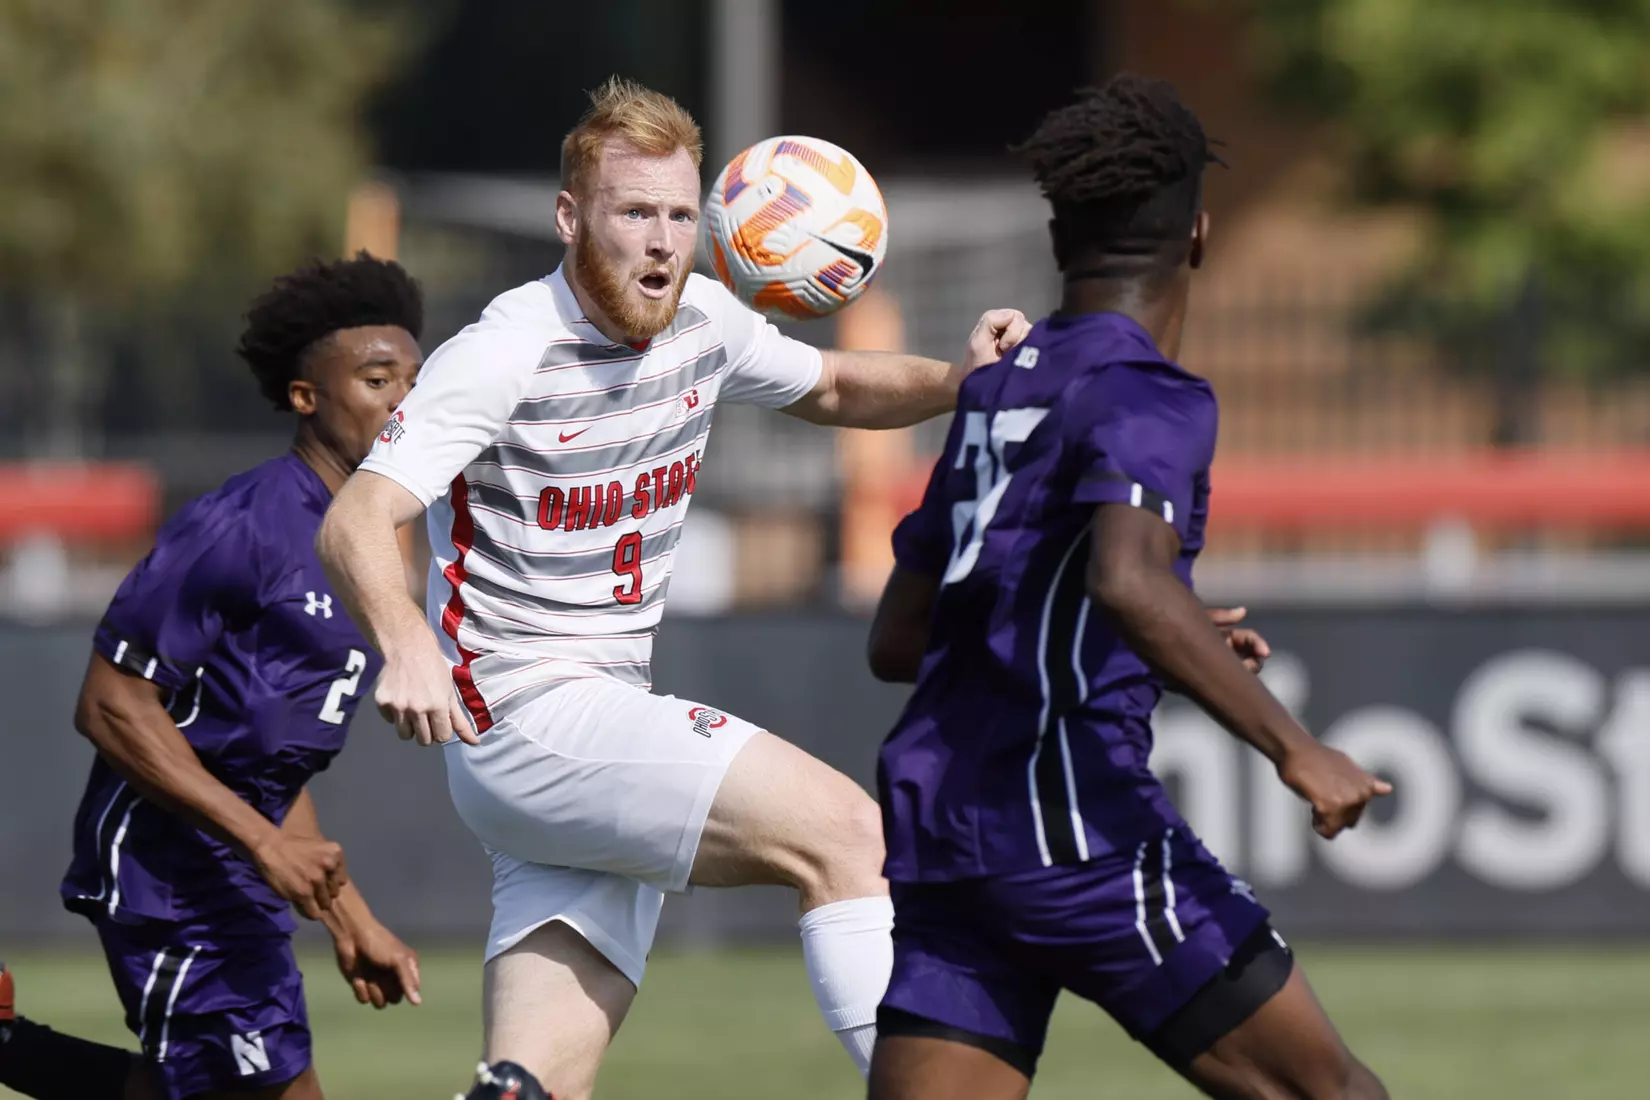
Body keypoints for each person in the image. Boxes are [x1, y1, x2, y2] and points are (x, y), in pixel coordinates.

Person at [313, 77, 1031, 1100]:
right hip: (525, 715)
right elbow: (355, 515)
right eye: (633, 212)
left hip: (587, 728)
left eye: (680, 214)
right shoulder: (506, 349)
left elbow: (830, 384)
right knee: (849, 834)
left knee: (533, 1083)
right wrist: (405, 638)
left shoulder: (701, 317)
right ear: (571, 217)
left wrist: (957, 385)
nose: (660, 240)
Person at [862, 76, 1393, 1100]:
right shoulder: (1147, 391)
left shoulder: (997, 387)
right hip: (1075, 827)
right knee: (1329, 1091)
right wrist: (1299, 749)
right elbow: (1130, 581)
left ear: (1061, 232)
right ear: (1198, 233)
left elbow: (899, 637)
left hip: (945, 832)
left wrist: (1134, 628)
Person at [0, 255, 426, 1100]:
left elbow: (266, 763)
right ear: (307, 398)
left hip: (234, 865)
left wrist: (350, 917)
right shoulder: (243, 526)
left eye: (416, 380)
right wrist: (266, 845)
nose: (404, 401)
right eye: (378, 379)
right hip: (164, 871)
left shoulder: (369, 543)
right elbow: (111, 705)